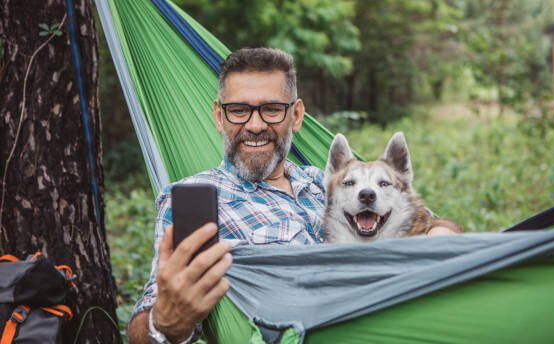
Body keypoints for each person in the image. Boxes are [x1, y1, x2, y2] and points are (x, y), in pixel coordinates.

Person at [127, 47, 457, 343]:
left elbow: (428, 222)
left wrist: (440, 232)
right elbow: (149, 320)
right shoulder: (196, 201)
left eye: (271, 109)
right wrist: (164, 324)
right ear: (219, 116)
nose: (255, 125)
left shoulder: (328, 184)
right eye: (239, 110)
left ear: (296, 116)